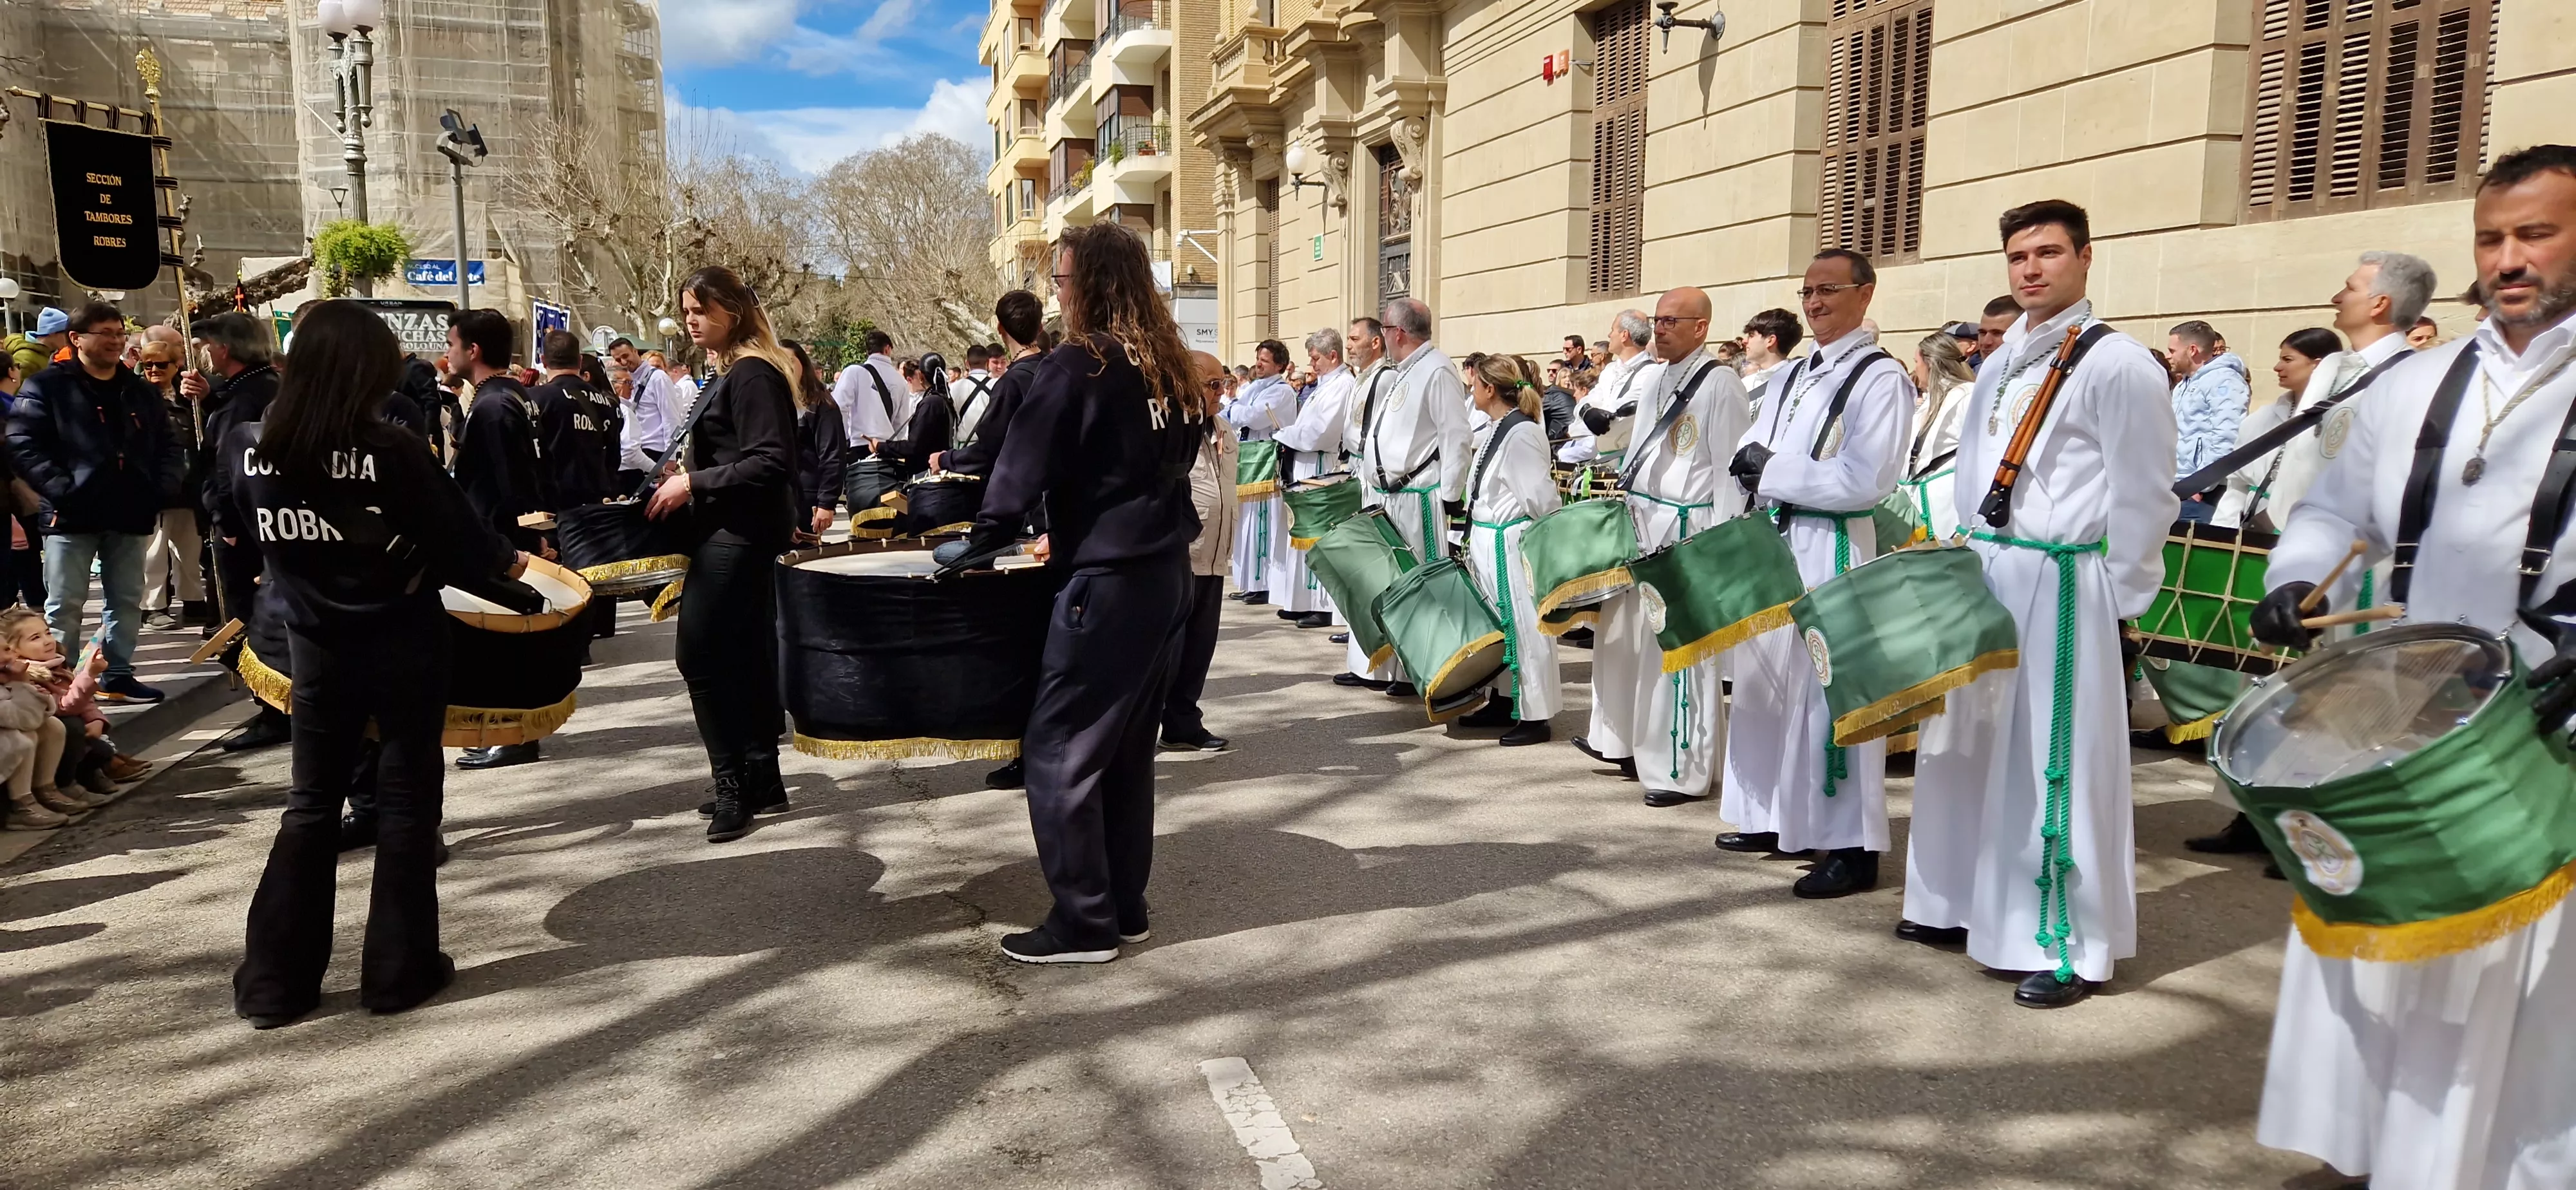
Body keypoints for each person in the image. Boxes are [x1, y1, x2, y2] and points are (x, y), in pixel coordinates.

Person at [2244, 143, 2576, 1190]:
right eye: (2491, 238)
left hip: (2548, 726)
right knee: (2397, 947)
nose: (2509, 257)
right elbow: (2337, 507)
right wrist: (2298, 581)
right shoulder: (2416, 379)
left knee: (2528, 977)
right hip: (2400, 710)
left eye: (2536, 233)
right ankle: (2396, 1156)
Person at [220, 299, 532, 1028]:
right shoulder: (392, 450)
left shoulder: (246, 442)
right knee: (404, 803)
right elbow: (465, 545)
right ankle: (398, 970)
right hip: (402, 641)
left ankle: (274, 983)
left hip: (313, 646)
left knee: (311, 803)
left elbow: (238, 520)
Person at [1899, 199, 2177, 1009]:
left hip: (2061, 583)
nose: (2030, 269)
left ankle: (2065, 940)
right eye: (2018, 255)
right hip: (1990, 570)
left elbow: (2143, 495)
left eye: (2048, 253)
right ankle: (1956, 903)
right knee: (1967, 746)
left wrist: (2116, 599)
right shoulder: (1998, 359)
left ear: (2085, 258)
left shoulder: (2117, 363)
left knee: (2051, 762)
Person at [958, 222, 1202, 965]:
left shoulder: (1079, 364)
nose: (1057, 296)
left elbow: (1019, 469)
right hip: (1166, 577)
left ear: (1088, 285)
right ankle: (1123, 907)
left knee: (1059, 751)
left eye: (1061, 282)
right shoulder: (1170, 364)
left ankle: (1084, 923)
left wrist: (982, 535)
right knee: (1125, 754)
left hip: (1106, 583)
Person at [1716, 249, 1914, 893]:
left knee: (1827, 690)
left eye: (1829, 289)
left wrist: (1771, 471)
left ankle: (1849, 843)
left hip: (1829, 541)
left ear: (1865, 293)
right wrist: (1756, 474)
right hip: (1779, 534)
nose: (1815, 301)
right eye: (1807, 291)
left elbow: (1866, 478)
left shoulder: (1879, 376)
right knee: (1764, 680)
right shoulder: (1794, 373)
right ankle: (1774, 815)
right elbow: (1758, 450)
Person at [1569, 288, 1753, 805]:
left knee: (1680, 654)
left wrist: (1718, 545)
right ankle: (1626, 742)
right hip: (1643, 522)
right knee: (1628, 645)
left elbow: (1728, 472)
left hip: (1687, 528)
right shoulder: (1655, 377)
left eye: (1673, 320)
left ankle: (1681, 768)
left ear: (1701, 328)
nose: (1662, 328)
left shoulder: (1721, 384)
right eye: (1658, 319)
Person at [649, 267, 800, 843]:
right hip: (733, 529)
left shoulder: (752, 373)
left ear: (732, 312)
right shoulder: (735, 371)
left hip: (739, 534)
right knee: (744, 657)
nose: (690, 319)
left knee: (701, 658)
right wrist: (690, 475)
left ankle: (734, 782)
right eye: (686, 309)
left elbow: (771, 461)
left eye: (700, 309)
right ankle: (760, 777)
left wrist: (693, 483)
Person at [8, 301, 185, 705]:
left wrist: (159, 489)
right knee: (65, 603)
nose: (116, 341)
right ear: (76, 338)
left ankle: (117, 673)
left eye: (120, 333)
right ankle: (61, 681)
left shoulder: (139, 390)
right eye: (104, 333)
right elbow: (22, 444)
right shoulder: (47, 387)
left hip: (131, 513)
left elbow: (170, 446)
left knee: (125, 599)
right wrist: (63, 488)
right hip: (71, 515)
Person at [1355, 299, 1473, 699]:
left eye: (1385, 330)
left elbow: (1456, 436)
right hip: (1391, 496)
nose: (1383, 338)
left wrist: (1452, 496)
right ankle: (1406, 670)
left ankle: (1438, 671)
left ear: (1398, 333)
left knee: (1423, 586)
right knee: (1399, 586)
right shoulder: (1405, 371)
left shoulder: (1437, 369)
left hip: (1417, 497)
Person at [1451, 354, 1560, 746]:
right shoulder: (1500, 427)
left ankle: (1536, 713)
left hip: (1508, 543)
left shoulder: (1521, 434)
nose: (1471, 390)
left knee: (1524, 627)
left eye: (1475, 384)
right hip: (1487, 537)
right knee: (1499, 626)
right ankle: (1503, 698)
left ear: (1490, 389)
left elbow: (1539, 497)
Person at [1160, 350, 1239, 753]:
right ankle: (1148, 725)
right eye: (1212, 385)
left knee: (1199, 647)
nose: (1220, 394)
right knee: (1169, 651)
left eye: (1223, 384)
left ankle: (1183, 723)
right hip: (1183, 554)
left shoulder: (1223, 428)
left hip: (1214, 554)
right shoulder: (1171, 428)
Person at [2208, 328, 2344, 533]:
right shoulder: (2263, 418)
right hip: (2252, 530)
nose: (2277, 367)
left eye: (2288, 360)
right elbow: (2237, 484)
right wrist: (2222, 531)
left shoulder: (2341, 420)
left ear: (2318, 365)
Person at [1332, 316, 1403, 688]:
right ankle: (1364, 660)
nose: (1350, 346)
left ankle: (1381, 663)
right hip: (1357, 468)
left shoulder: (1385, 378)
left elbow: (1376, 433)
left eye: (1356, 339)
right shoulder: (1362, 378)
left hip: (1372, 472)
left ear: (1377, 343)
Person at [1270, 329, 1357, 630]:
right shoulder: (1325, 385)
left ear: (1333, 356)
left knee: (1318, 534)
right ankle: (1301, 601)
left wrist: (1284, 434)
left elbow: (1321, 432)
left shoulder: (1343, 385)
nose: (1312, 363)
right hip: (1305, 463)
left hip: (1321, 464)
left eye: (1316, 357)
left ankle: (1321, 606)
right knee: (1303, 531)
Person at [135, 340, 208, 630]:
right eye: (148, 365)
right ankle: (153, 606)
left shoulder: (188, 397)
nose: (154, 370)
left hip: (188, 486)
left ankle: (193, 601)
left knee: (189, 549)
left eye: (161, 364)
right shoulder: (136, 395)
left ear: (176, 366)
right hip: (152, 487)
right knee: (153, 552)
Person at [1224, 339, 1296, 605]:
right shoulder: (1254, 387)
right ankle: (1247, 581)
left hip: (1267, 463)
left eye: (1265, 361)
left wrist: (1236, 410)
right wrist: (1237, 410)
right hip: (1248, 461)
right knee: (1246, 521)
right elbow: (1230, 411)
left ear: (1279, 365)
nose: (1259, 364)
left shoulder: (1282, 391)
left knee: (1263, 521)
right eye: (1258, 359)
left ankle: (1263, 583)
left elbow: (1255, 416)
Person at [2168, 320, 2251, 524]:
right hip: (2178, 487)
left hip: (2202, 495)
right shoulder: (2184, 384)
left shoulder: (2224, 380)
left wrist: (2200, 485)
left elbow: (2228, 437)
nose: (2169, 356)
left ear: (2192, 350)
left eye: (2172, 350)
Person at [1899, 330, 1976, 545]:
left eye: (1917, 362)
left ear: (1930, 364)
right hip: (1918, 504)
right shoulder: (1927, 402)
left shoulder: (1967, 395)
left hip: (1946, 505)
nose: (1916, 370)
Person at [530, 330, 620, 512]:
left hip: (553, 508)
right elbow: (614, 456)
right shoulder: (607, 401)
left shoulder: (534, 398)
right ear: (579, 361)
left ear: (543, 360)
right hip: (598, 504)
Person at [834, 330, 909, 516]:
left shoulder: (853, 372)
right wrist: (892, 445)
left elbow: (838, 408)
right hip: (887, 451)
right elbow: (902, 422)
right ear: (888, 349)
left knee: (861, 510)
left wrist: (843, 440)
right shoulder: (900, 381)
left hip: (859, 447)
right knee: (888, 512)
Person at [782, 339, 846, 541]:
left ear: (803, 363)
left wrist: (827, 503)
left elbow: (833, 454)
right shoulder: (774, 401)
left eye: (790, 362)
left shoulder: (821, 403)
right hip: (781, 497)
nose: (786, 368)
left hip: (808, 495)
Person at [609, 337, 683, 491]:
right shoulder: (629, 380)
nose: (623, 362)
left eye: (625, 356)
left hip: (658, 451)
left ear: (635, 351)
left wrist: (671, 455)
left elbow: (671, 417)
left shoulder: (658, 378)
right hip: (640, 454)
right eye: (618, 359)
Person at [882, 352, 956, 477]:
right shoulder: (943, 399)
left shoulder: (931, 402)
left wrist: (882, 446)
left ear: (921, 376)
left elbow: (914, 446)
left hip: (927, 473)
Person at [1737, 308, 1803, 419]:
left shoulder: (1798, 385)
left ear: (1770, 341)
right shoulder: (1744, 385)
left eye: (1752, 335)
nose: (1745, 341)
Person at [4, 307, 68, 382]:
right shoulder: (27, 359)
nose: (69, 337)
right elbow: (14, 390)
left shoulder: (46, 353)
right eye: (66, 333)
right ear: (52, 332)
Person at [955, 343, 998, 448]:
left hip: (964, 448)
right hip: (992, 448)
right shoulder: (998, 385)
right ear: (988, 362)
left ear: (967, 363)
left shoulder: (956, 387)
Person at [1973, 294, 2018, 368]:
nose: (1986, 342)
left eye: (1998, 333)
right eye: (1983, 333)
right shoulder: (1975, 374)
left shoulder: (2038, 376)